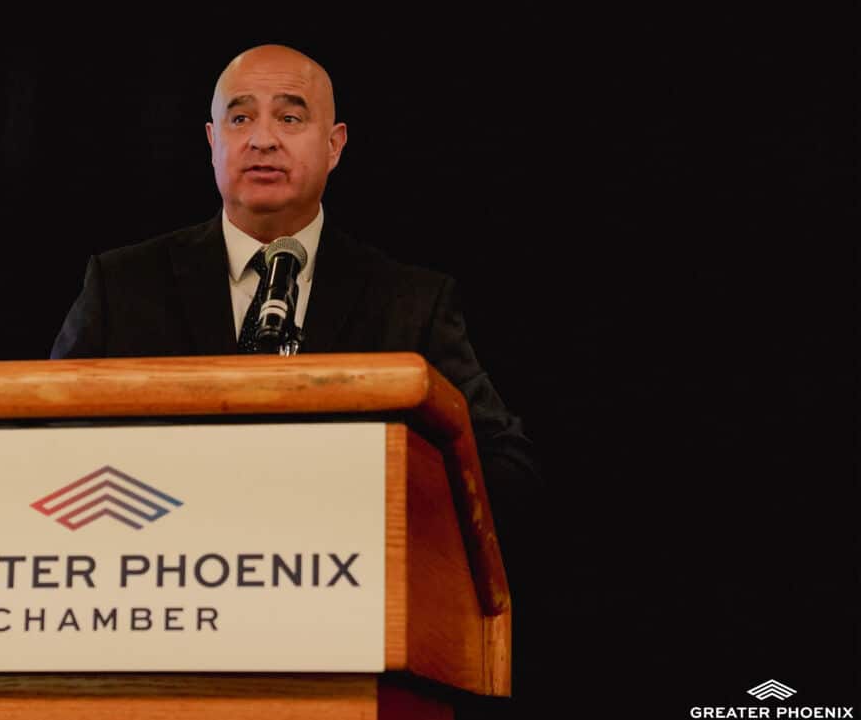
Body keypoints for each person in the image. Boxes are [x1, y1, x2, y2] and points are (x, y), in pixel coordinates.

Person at [50, 44, 539, 550]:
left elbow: (505, 466)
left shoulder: (409, 304)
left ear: (334, 145)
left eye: (289, 118)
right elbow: (43, 444)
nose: (262, 140)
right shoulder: (124, 286)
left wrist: (377, 511)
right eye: (240, 119)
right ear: (212, 142)